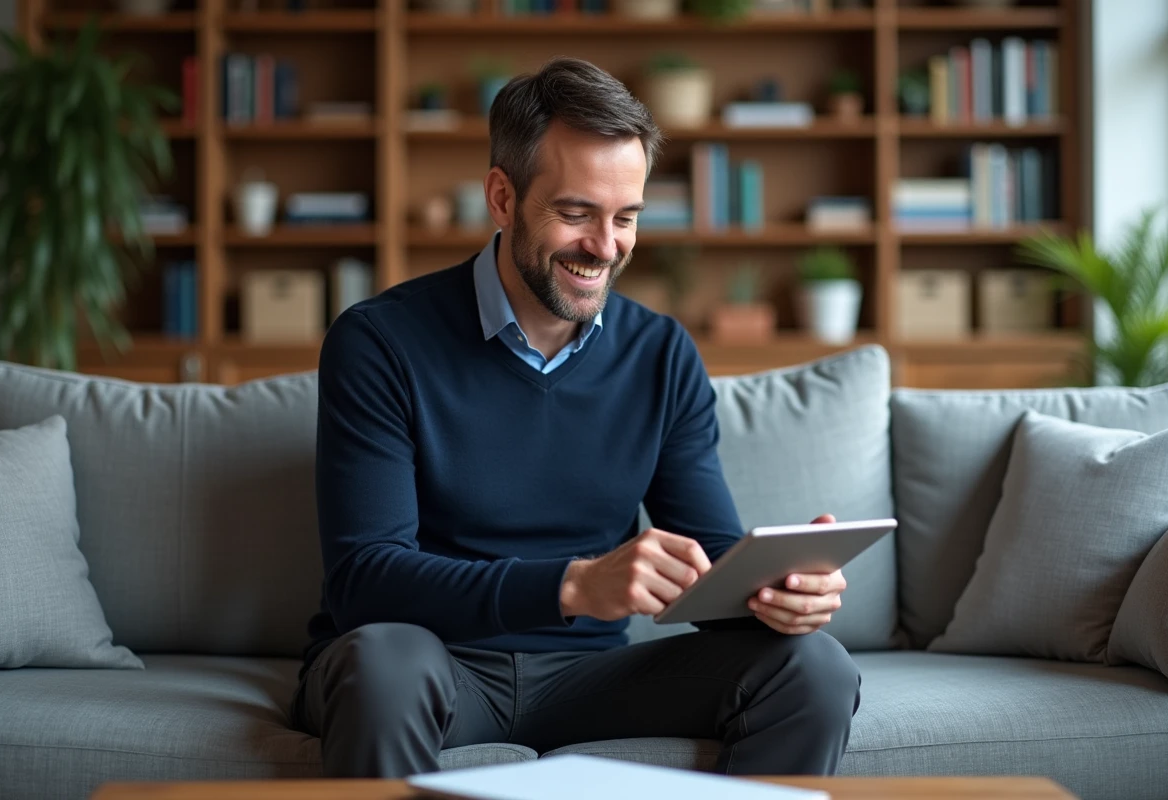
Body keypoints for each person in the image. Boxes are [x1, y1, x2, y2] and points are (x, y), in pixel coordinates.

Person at [292, 56, 861, 780]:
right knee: (384, 663)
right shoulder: (379, 342)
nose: (606, 246)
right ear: (502, 197)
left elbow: (709, 562)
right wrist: (572, 585)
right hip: (430, 665)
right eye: (575, 213)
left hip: (592, 678)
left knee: (812, 666)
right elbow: (365, 581)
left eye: (626, 217)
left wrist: (776, 594)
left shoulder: (659, 353)